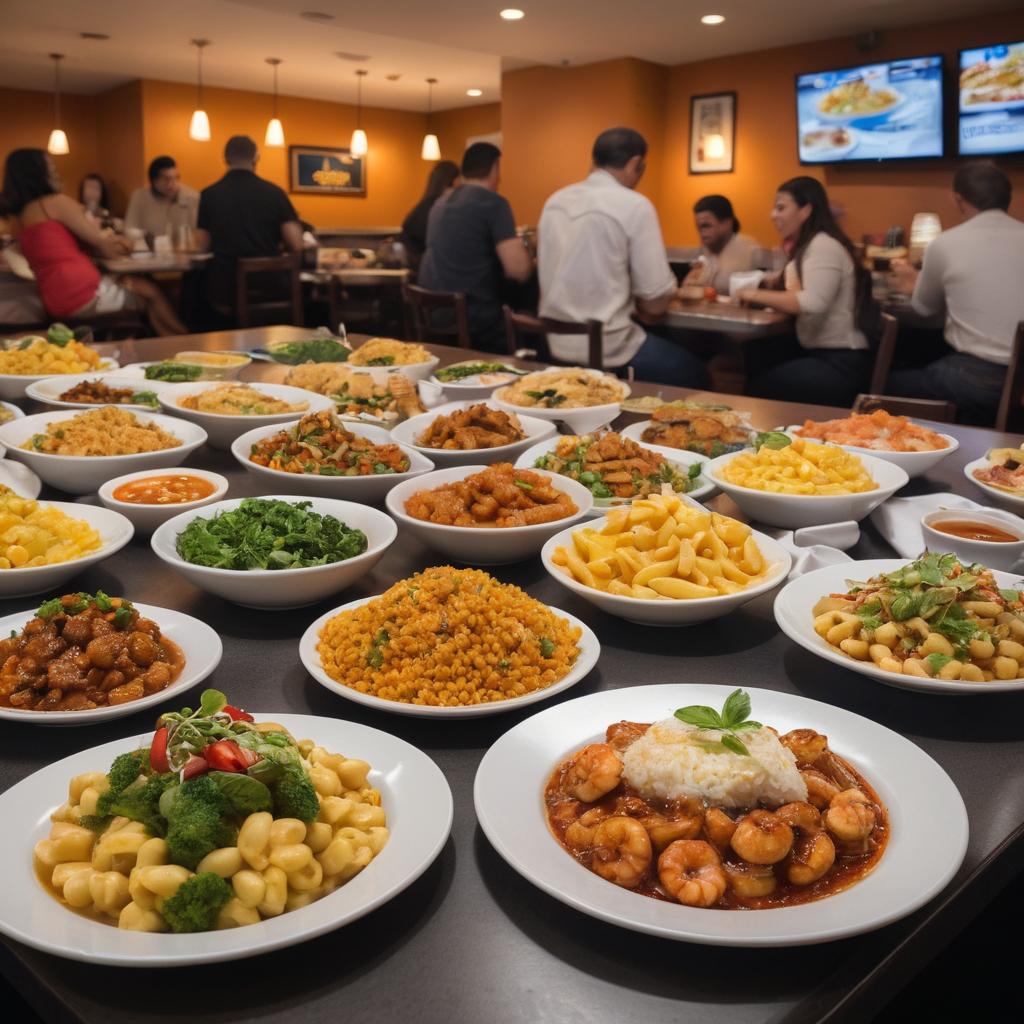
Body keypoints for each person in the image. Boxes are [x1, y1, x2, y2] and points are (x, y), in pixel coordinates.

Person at [537, 127, 709, 387]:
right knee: (697, 373)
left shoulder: (555, 201)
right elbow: (655, 299)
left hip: (553, 345)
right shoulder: (634, 204)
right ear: (635, 164)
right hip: (610, 348)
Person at [887, 161, 1024, 424]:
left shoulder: (945, 243)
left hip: (977, 377)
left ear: (958, 199)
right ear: (1008, 198)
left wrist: (912, 283)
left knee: (893, 384)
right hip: (1018, 380)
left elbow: (925, 308)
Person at [1, 148, 186, 334]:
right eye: (50, 167)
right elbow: (106, 246)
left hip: (54, 297)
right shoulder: (55, 203)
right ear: (37, 173)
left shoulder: (19, 217)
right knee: (151, 292)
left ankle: (173, 344)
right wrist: (124, 242)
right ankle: (185, 340)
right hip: (83, 293)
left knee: (146, 291)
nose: (55, 172)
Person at [736, 176, 871, 406]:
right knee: (755, 354)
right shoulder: (809, 246)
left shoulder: (823, 246)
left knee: (761, 383)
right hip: (819, 353)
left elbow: (814, 302)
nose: (773, 215)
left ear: (806, 210)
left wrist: (750, 293)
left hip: (841, 362)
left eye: (781, 207)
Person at [418, 142, 532, 351]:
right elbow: (519, 270)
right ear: (494, 168)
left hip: (434, 315)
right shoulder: (493, 203)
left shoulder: (440, 203)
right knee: (529, 325)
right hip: (474, 323)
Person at [193, 135, 303, 319]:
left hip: (224, 290)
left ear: (226, 160)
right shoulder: (275, 193)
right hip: (270, 287)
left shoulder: (208, 195)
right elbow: (297, 243)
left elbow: (201, 245)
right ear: (256, 158)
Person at [685, 195, 758, 295]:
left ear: (727, 222)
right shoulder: (705, 251)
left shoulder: (749, 248)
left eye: (706, 226)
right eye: (699, 228)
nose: (702, 233)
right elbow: (688, 287)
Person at [401, 160, 458, 274]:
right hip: (423, 276)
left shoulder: (423, 207)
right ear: (446, 185)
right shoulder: (436, 211)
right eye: (457, 188)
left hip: (415, 277)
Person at [124, 156, 199, 242]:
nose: (173, 184)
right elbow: (129, 228)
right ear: (154, 181)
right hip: (149, 251)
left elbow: (198, 232)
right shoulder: (140, 196)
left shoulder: (192, 197)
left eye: (176, 178)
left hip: (183, 251)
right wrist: (145, 236)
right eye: (167, 179)